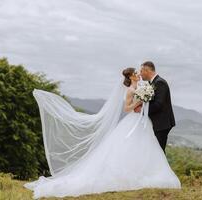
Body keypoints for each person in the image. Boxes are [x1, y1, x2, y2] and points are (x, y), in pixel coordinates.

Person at [23, 67, 181, 199]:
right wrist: (139, 101)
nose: (139, 74)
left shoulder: (141, 87)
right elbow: (127, 109)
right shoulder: (131, 90)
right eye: (136, 73)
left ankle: (144, 172)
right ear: (131, 76)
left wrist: (144, 99)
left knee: (145, 147)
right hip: (132, 121)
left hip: (142, 122)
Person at [137, 61, 176, 152]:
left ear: (147, 71)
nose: (140, 74)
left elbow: (158, 104)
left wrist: (142, 110)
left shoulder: (160, 83)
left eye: (141, 71)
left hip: (161, 124)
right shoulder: (153, 83)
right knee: (155, 151)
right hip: (157, 122)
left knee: (159, 152)